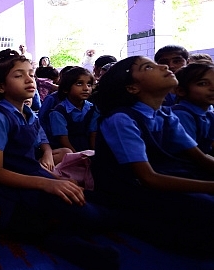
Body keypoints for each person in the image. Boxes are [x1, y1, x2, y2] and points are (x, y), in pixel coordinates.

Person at [0, 55, 118, 270]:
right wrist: (48, 183)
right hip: (13, 195)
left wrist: (54, 177)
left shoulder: (28, 114)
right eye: (19, 75)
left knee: (89, 199)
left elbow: (34, 154)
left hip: (35, 181)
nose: (29, 80)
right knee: (88, 216)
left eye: (30, 74)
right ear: (0, 87)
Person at [92, 56, 214, 255]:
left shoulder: (165, 115)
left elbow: (200, 158)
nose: (164, 66)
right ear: (132, 87)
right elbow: (148, 178)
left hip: (163, 176)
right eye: (149, 67)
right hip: (130, 191)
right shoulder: (121, 118)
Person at [49, 67, 99, 152]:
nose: (86, 88)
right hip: (67, 152)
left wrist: (94, 154)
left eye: (89, 84)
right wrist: (77, 156)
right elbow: (63, 139)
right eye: (79, 83)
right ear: (66, 89)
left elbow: (93, 134)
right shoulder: (58, 112)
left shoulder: (93, 109)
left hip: (88, 151)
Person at [172, 62, 214, 155]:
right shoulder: (181, 115)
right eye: (203, 83)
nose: (213, 87)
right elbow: (190, 154)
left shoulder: (208, 112)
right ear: (181, 91)